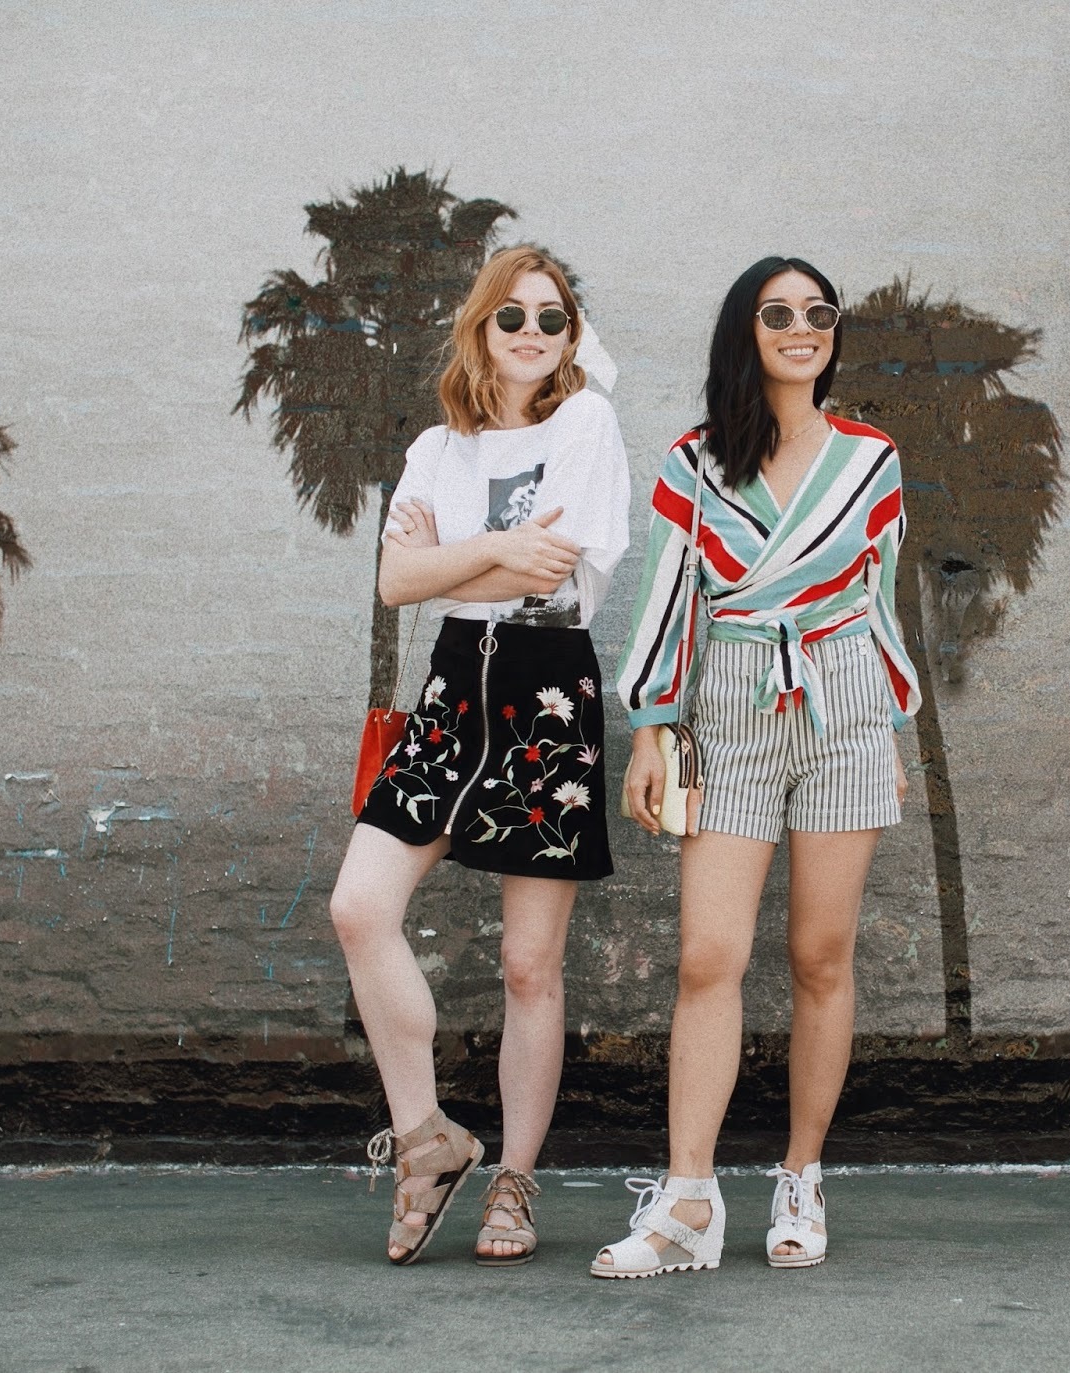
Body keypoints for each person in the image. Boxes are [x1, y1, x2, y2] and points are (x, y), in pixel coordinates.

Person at [593, 256, 921, 1278]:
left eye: (818, 311)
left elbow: (879, 599)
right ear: (747, 330)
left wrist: (891, 724)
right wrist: (651, 728)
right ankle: (688, 1198)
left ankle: (801, 1176)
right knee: (709, 956)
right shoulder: (695, 462)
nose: (801, 326)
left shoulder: (871, 459)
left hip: (844, 706)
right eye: (778, 313)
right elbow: (668, 598)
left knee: (821, 955)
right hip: (731, 709)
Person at [330, 245, 630, 1266]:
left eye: (553, 318)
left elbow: (552, 578)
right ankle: (429, 1139)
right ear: (481, 327)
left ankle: (515, 1177)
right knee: (359, 906)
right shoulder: (437, 447)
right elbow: (393, 584)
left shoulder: (585, 423)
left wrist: (446, 560)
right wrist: (496, 551)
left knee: (527, 962)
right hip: (454, 690)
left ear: (571, 334)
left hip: (546, 691)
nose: (533, 334)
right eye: (513, 317)